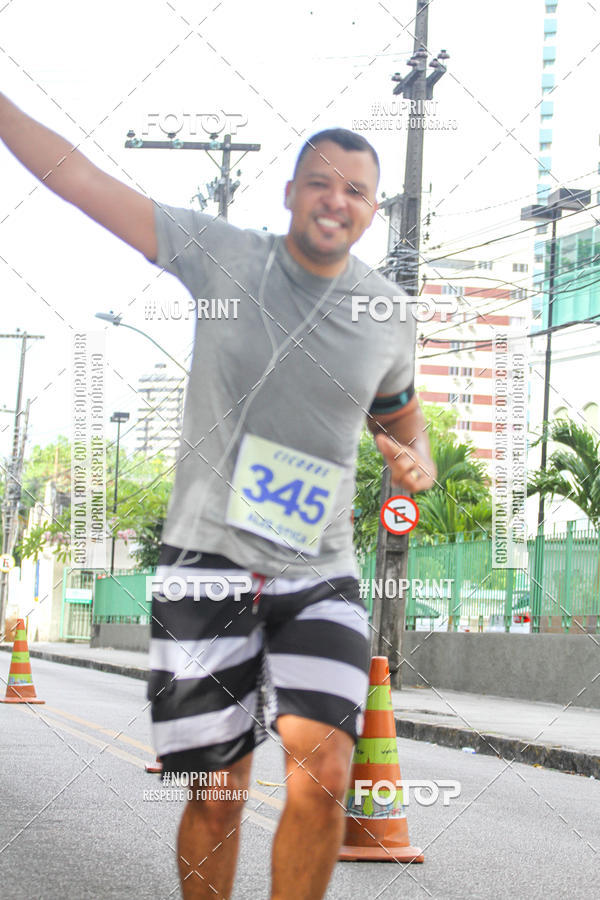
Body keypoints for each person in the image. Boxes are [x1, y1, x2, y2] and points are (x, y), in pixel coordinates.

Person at [0, 95, 436, 899]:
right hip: (206, 563)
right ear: (291, 193)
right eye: (319, 182)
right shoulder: (223, 254)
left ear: (374, 212)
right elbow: (80, 180)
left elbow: (406, 424)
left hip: (321, 571)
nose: (335, 201)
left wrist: (417, 463)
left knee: (324, 767)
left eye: (355, 191)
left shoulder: (387, 316)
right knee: (217, 792)